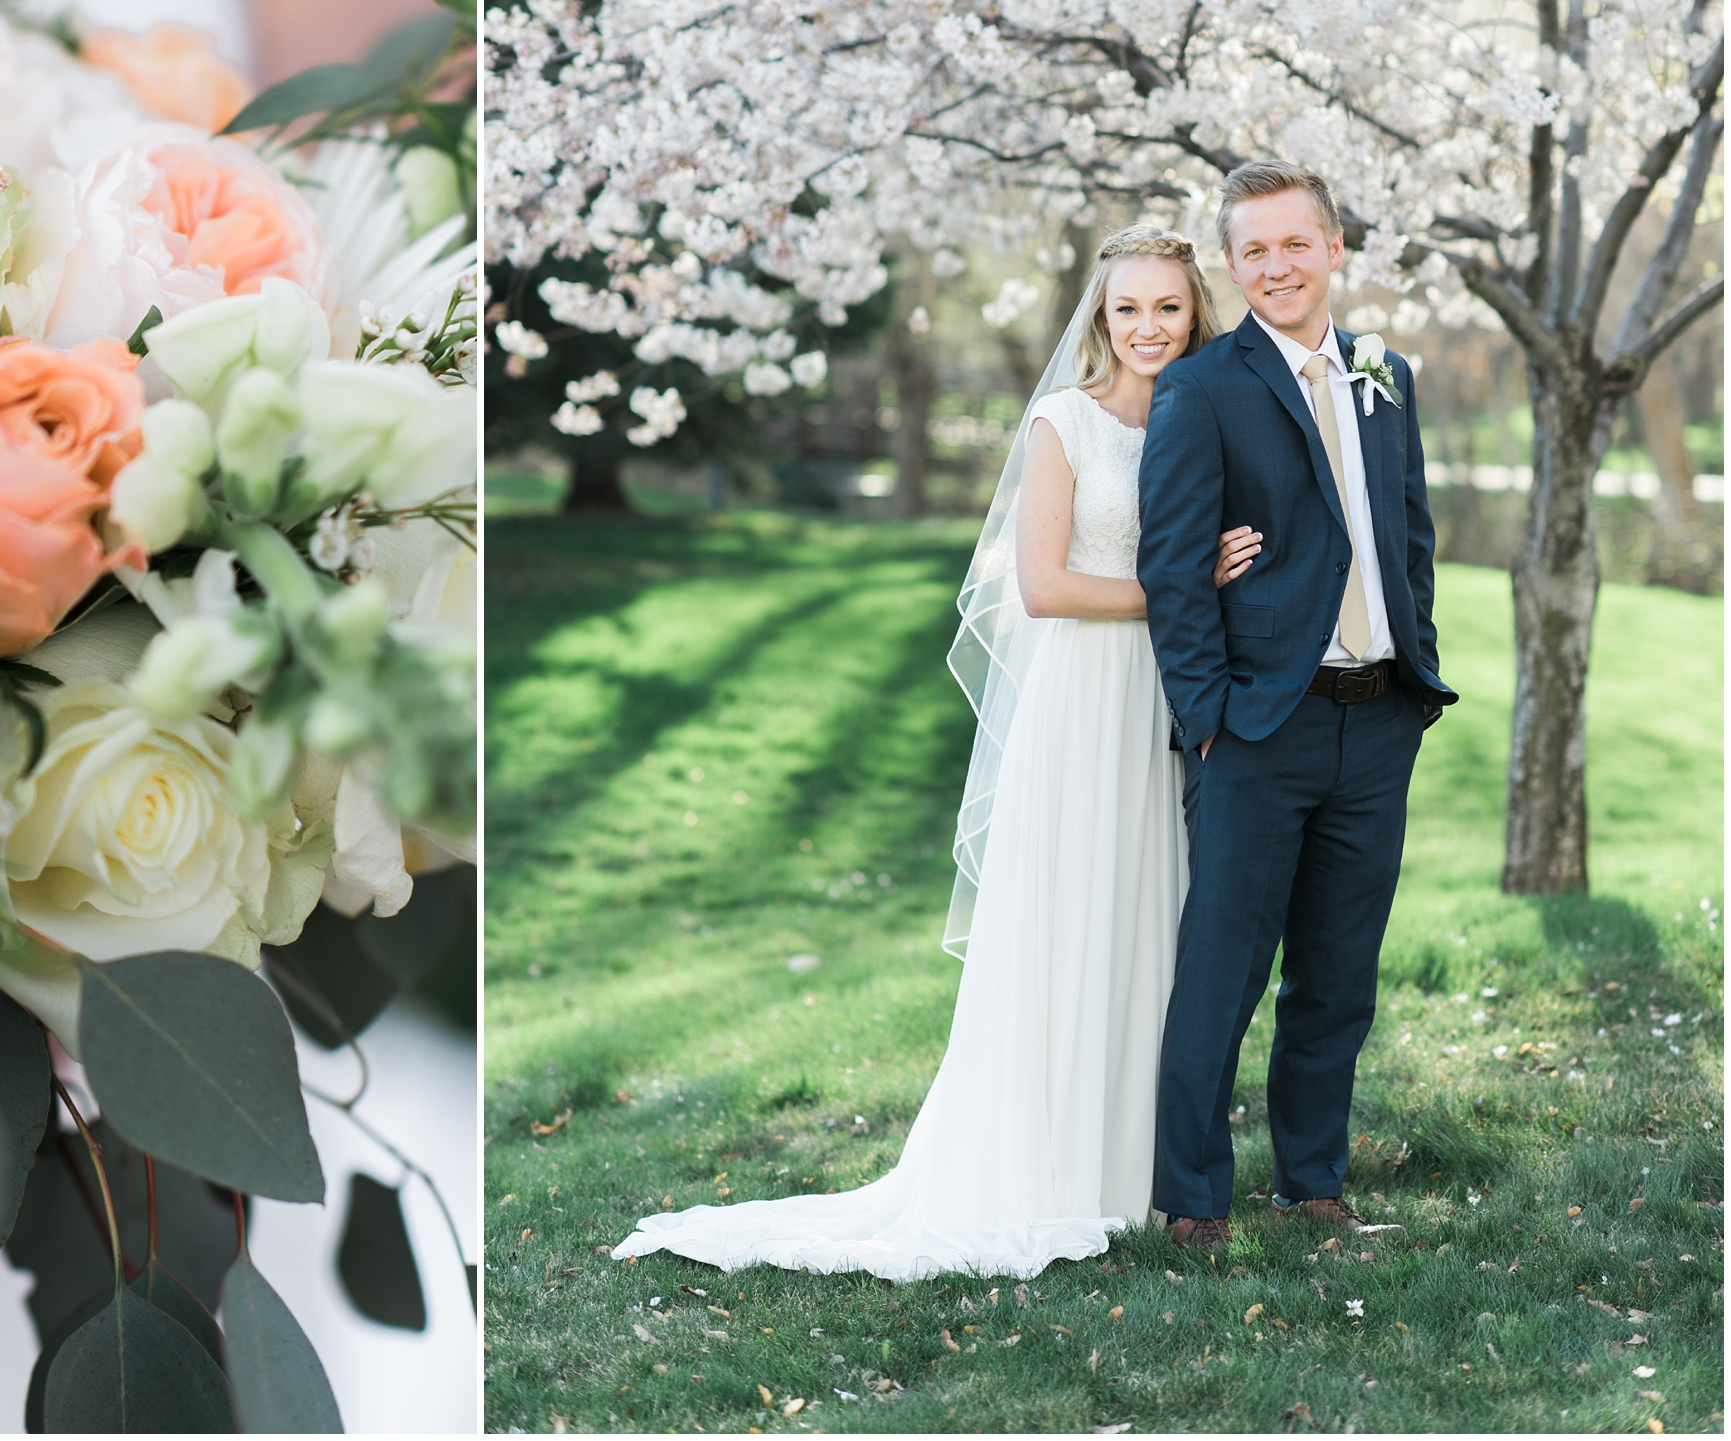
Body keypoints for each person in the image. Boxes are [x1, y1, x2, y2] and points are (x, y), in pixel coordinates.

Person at [613, 224, 1254, 1282]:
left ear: (1196, 316)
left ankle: (1139, 1168)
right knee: (1068, 920)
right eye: (1128, 307)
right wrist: (1188, 590)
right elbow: (1043, 586)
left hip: (1166, 696)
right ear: (1101, 316)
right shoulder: (1064, 423)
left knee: (1151, 913)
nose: (1147, 327)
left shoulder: (1207, 422)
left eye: (1168, 308)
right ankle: (1042, 1169)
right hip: (1081, 698)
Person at [1137, 160, 1453, 1254]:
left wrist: (1415, 675)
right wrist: (1206, 715)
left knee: (1338, 974)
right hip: (1254, 728)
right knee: (1222, 971)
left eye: (1293, 243)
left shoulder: (1385, 373)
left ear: (1331, 249)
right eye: (1253, 249)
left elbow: (1408, 538)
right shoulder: (1204, 386)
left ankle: (1310, 1177)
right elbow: (1173, 568)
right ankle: (1191, 1196)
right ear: (1233, 265)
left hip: (1377, 721)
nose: (1275, 265)